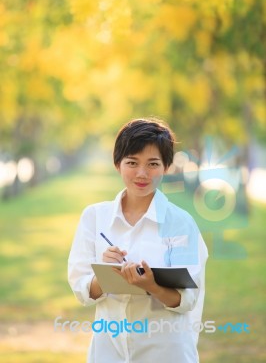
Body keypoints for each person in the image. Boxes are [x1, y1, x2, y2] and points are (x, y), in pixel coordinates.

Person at [68, 117, 208, 363]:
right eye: (132, 162)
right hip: (108, 349)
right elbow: (81, 289)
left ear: (166, 166)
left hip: (166, 349)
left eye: (153, 163)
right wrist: (108, 274)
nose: (142, 173)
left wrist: (152, 286)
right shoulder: (94, 217)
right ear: (117, 164)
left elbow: (187, 300)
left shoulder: (181, 223)